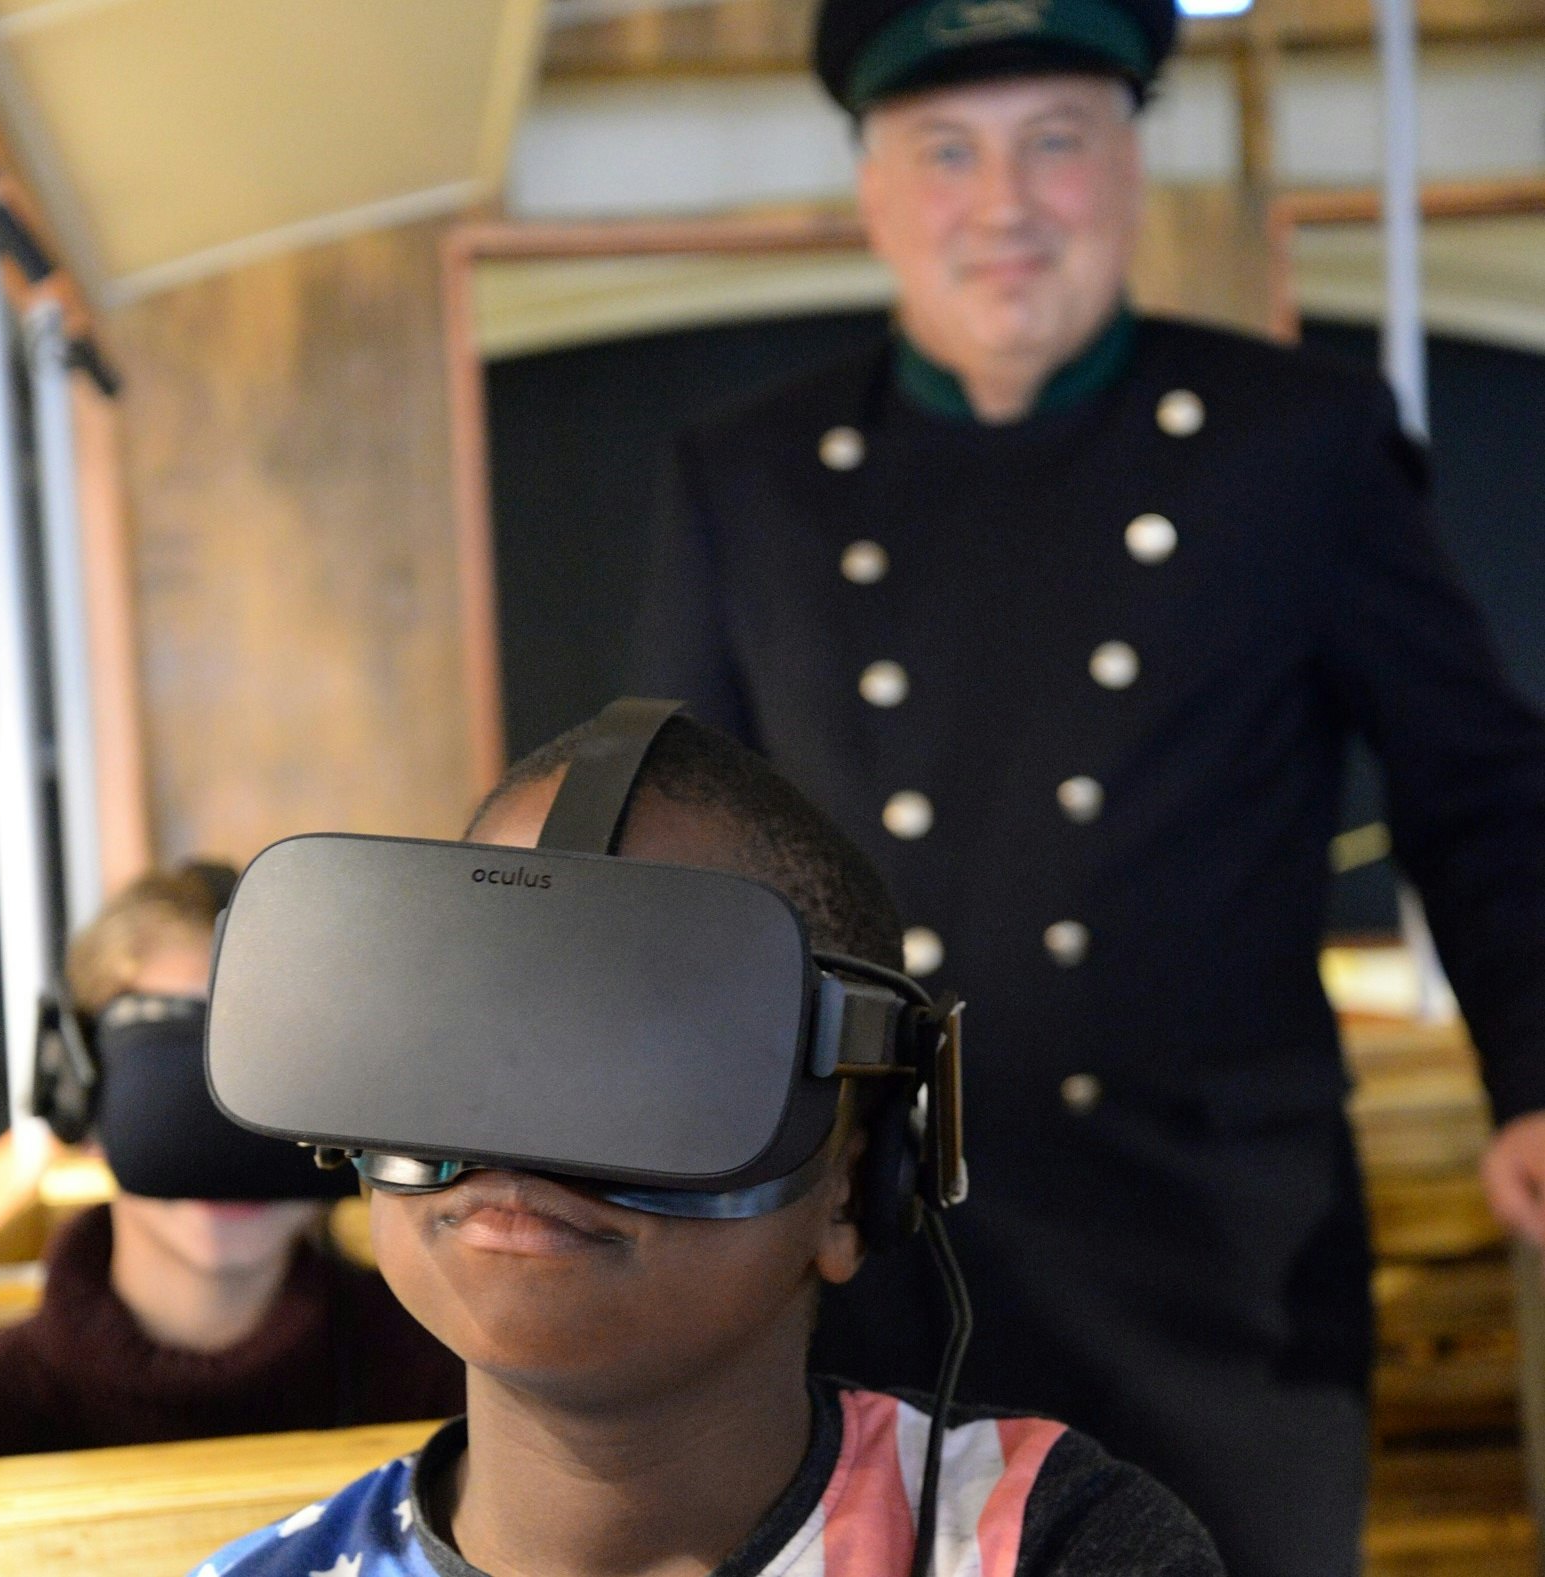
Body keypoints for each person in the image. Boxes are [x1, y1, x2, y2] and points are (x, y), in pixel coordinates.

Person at [627, 3, 1545, 1571]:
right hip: (870, 1255)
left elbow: (1479, 790)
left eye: (1054, 141)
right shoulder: (750, 475)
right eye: (947, 151)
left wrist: (1535, 1071)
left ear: (1128, 165)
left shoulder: (1297, 444)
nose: (1004, 204)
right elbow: (664, 872)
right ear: (871, 188)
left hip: (1220, 1265)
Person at [191, 709, 1222, 1576]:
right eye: (468, 1026)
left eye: (647, 1050)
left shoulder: (1052, 1544)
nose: (520, 1144)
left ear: (855, 1182)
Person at [0, 861, 463, 1458]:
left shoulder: (455, 1386)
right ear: (78, 1095)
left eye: (273, 1069)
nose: (225, 1133)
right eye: (174, 1082)